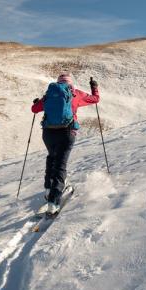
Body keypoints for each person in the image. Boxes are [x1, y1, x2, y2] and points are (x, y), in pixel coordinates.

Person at [31, 73, 100, 214]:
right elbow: (95, 99)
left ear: (58, 83)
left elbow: (34, 109)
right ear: (70, 84)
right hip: (67, 132)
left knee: (51, 157)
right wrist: (94, 87)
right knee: (60, 165)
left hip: (48, 133)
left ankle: (48, 188)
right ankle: (53, 202)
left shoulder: (49, 95)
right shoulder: (75, 94)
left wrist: (38, 102)